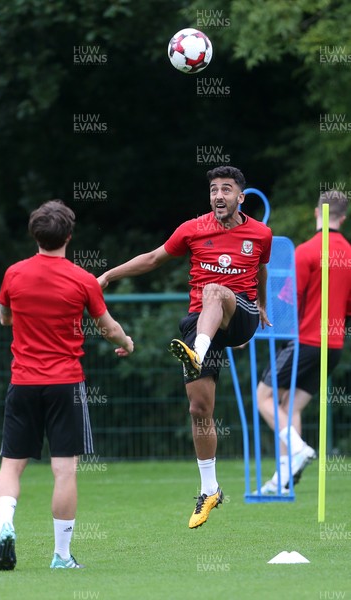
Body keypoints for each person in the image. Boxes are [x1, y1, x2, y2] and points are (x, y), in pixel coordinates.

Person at [98, 166, 273, 528]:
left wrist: (264, 305)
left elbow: (260, 270)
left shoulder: (260, 233)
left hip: (240, 312)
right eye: (213, 190)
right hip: (199, 321)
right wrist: (108, 275)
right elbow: (152, 259)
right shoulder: (192, 229)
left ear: (241, 197)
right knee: (199, 408)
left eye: (226, 189)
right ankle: (210, 489)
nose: (218, 195)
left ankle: (200, 347)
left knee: (214, 290)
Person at [0, 200, 134, 570]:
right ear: (69, 236)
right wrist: (126, 343)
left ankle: (6, 524)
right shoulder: (82, 279)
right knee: (65, 470)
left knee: (11, 466)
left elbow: (4, 318)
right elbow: (108, 328)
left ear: (34, 235)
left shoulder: (14, 274)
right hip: (65, 384)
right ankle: (60, 556)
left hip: (22, 382)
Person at [257, 190, 351, 494]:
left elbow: (288, 301)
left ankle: (297, 450)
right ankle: (283, 481)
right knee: (289, 406)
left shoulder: (308, 251)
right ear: (343, 218)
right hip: (334, 346)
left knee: (264, 398)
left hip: (306, 342)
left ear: (316, 213)